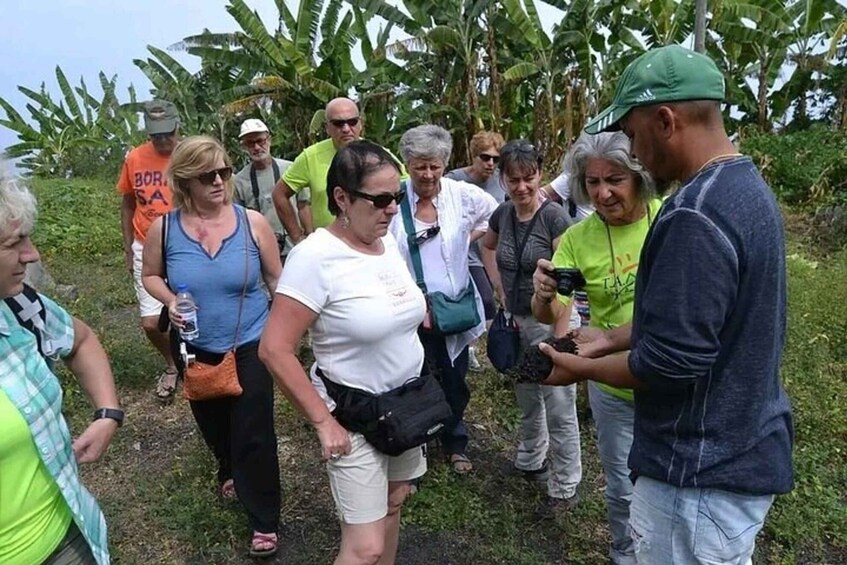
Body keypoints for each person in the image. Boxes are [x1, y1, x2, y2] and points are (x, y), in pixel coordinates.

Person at [534, 45, 794, 564]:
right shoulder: (745, 190)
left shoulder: (691, 215)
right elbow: (697, 325)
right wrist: (607, 337)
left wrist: (581, 369)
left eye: (632, 135)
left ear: (665, 120)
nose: (634, 150)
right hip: (737, 448)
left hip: (696, 472)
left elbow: (673, 361)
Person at [259, 140, 426, 565]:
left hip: (404, 407)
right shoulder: (314, 257)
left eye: (398, 197)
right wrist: (323, 422)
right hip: (354, 413)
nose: (392, 209)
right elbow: (275, 349)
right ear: (341, 198)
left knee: (394, 503)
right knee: (364, 547)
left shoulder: (387, 242)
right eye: (381, 199)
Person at [141, 136, 283, 558]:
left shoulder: (252, 223)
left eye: (223, 171)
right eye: (208, 176)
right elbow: (151, 275)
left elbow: (276, 279)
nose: (220, 181)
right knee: (213, 420)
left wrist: (286, 332)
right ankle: (228, 466)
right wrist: (170, 301)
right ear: (186, 182)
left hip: (251, 340)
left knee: (255, 430)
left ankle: (264, 520)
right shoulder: (163, 229)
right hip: (195, 344)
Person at [532, 131, 660, 562]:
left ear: (640, 177)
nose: (603, 193)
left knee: (670, 486)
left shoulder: (668, 220)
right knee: (623, 486)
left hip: (668, 381)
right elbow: (549, 314)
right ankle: (625, 555)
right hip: (611, 384)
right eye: (592, 182)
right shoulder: (577, 238)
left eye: (615, 180)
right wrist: (543, 294)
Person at [0, 177, 121, 564]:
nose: (31, 254)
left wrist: (108, 413)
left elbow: (81, 340)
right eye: (13, 243)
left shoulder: (22, 309)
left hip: (66, 538)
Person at [480, 140, 582, 519]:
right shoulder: (502, 215)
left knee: (559, 403)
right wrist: (498, 286)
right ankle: (530, 458)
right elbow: (487, 249)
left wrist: (560, 335)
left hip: (551, 321)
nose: (522, 187)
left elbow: (566, 281)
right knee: (526, 396)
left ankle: (566, 482)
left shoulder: (555, 217)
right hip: (517, 320)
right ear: (502, 179)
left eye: (529, 178)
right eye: (513, 179)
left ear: (541, 173)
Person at [389, 124, 498, 475]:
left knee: (454, 377)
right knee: (412, 378)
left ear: (445, 163)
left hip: (451, 309)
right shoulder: (395, 198)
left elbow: (494, 214)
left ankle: (454, 440)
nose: (428, 173)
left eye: (435, 165)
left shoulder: (459, 194)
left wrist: (468, 237)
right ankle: (416, 446)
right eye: (420, 165)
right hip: (408, 309)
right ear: (407, 164)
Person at [272, 97, 405, 242]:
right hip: (328, 248)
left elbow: (408, 187)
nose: (346, 129)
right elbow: (279, 194)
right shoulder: (310, 157)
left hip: (375, 244)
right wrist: (297, 236)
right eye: (338, 123)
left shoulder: (379, 155)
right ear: (327, 128)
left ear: (361, 124)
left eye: (352, 122)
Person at [117, 99, 180, 401]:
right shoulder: (135, 158)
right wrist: (130, 248)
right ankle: (173, 364)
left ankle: (201, 362)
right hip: (146, 244)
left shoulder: (189, 156)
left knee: (191, 309)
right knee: (151, 323)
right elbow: (128, 202)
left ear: (177, 126)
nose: (162, 140)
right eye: (155, 134)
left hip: (183, 243)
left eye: (166, 133)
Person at [446, 130, 506, 371]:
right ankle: (474, 349)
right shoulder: (454, 180)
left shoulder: (502, 181)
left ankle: (496, 351)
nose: (490, 163)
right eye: (485, 157)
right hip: (466, 253)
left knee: (494, 299)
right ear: (474, 156)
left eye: (496, 159)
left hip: (493, 251)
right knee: (485, 300)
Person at [233, 118, 310, 264]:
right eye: (250, 143)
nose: (256, 147)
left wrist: (308, 237)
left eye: (260, 141)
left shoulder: (290, 169)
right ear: (244, 147)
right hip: (262, 251)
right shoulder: (239, 181)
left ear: (269, 140)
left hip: (295, 246)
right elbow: (240, 221)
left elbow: (303, 205)